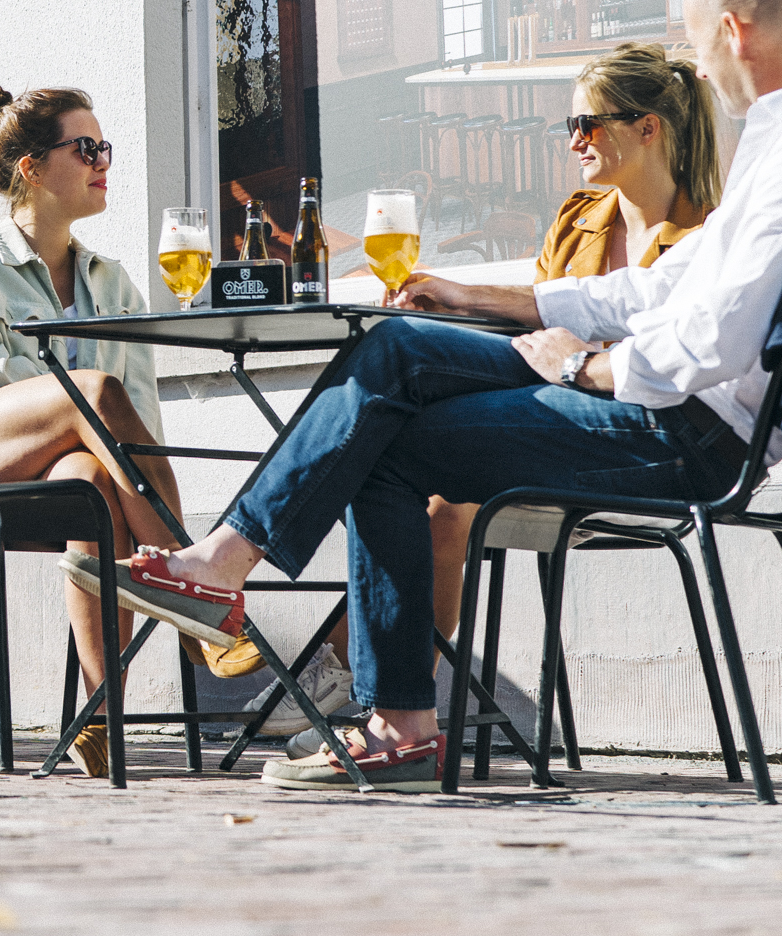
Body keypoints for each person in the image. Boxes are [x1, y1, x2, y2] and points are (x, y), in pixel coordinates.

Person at [114, 0, 782, 792]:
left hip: (688, 437)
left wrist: (583, 366)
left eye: (703, 49)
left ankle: (369, 696)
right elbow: (665, 285)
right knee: (398, 352)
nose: (705, 71)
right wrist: (489, 300)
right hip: (669, 410)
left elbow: (709, 341)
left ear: (736, 33)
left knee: (386, 438)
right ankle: (250, 584)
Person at [284, 40, 724, 750]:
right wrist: (462, 305)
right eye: (568, 126)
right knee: (399, 406)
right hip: (549, 415)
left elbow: (619, 348)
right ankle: (378, 697)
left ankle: (364, 689)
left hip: (626, 444)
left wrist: (568, 356)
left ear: (649, 127)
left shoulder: (706, 237)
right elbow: (542, 317)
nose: (574, 139)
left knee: (422, 473)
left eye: (589, 123)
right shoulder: (581, 216)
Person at [0, 86, 188, 778]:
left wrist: (103, 442)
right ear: (32, 168)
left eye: (106, 147)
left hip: (62, 468)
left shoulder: (115, 281)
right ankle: (195, 585)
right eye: (86, 148)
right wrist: (71, 403)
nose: (104, 161)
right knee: (91, 390)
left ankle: (104, 720)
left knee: (97, 481)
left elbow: (141, 423)